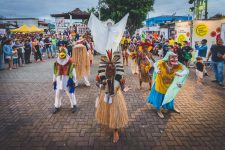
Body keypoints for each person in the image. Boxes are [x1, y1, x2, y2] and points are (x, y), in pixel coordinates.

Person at [95, 51, 128, 143]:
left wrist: (123, 86)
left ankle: (115, 131)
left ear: (115, 66)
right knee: (106, 111)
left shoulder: (119, 76)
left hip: (116, 96)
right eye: (108, 66)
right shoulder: (101, 75)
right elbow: (98, 83)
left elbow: (122, 86)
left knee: (116, 113)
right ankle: (108, 121)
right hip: (105, 95)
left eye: (112, 65)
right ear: (105, 67)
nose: (110, 67)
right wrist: (101, 84)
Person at [147, 51, 189, 118]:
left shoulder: (178, 65)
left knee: (170, 95)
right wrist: (157, 70)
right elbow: (155, 64)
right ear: (168, 58)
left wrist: (180, 74)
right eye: (172, 58)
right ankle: (158, 110)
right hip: (160, 83)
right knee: (159, 97)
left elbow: (186, 70)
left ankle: (171, 107)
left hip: (169, 84)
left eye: (176, 58)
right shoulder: (162, 63)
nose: (174, 60)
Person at [53, 47, 77, 114]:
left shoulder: (70, 62)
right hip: (59, 80)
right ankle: (56, 106)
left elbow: (73, 72)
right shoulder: (56, 62)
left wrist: (74, 81)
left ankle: (74, 105)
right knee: (58, 94)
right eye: (61, 52)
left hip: (67, 80)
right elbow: (55, 72)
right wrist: (54, 80)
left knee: (70, 93)